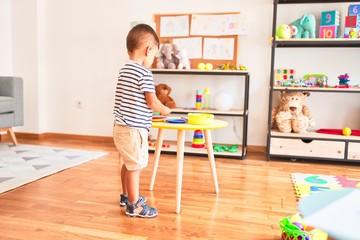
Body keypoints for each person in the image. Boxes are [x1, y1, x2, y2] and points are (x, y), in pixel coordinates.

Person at [113, 24, 171, 218]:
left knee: (128, 163)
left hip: (120, 127)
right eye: (154, 55)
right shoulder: (144, 73)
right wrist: (165, 109)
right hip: (133, 130)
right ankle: (134, 206)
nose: (153, 60)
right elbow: (152, 102)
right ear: (148, 50)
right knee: (135, 166)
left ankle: (126, 196)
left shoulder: (124, 70)